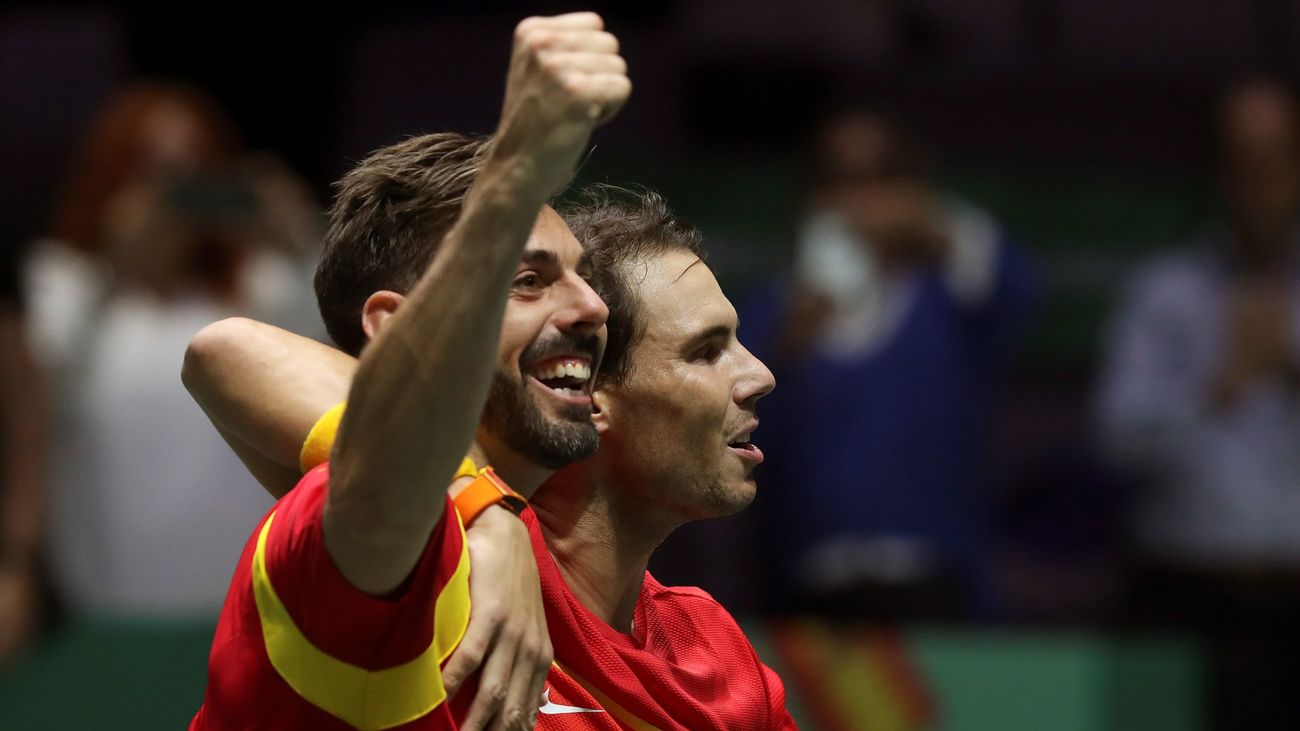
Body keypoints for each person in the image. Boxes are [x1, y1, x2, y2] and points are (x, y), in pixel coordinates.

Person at [187, 13, 630, 729]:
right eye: (526, 280)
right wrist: (516, 173)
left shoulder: (593, 607)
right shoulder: (359, 547)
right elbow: (222, 348)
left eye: (584, 278)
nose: (592, 306)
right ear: (391, 325)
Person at [22, 80, 321, 619]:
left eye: (194, 172)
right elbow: (41, 394)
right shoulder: (64, 282)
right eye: (154, 172)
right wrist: (114, 266)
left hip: (248, 592)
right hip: (108, 594)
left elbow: (335, 365)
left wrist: (299, 237)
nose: (175, 198)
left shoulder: (263, 285)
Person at [741, 107, 1032, 618]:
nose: (860, 198)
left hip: (937, 578)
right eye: (839, 179)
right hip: (807, 581)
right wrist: (793, 337)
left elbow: (1014, 284)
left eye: (882, 176)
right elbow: (741, 430)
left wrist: (931, 221)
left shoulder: (953, 298)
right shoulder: (775, 312)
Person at [1097, 77, 1300, 729]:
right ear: (1218, 170)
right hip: (1184, 596)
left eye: (1276, 157)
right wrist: (1217, 388)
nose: (1260, 179)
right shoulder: (1166, 290)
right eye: (1243, 159)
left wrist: (1289, 367)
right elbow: (1116, 439)